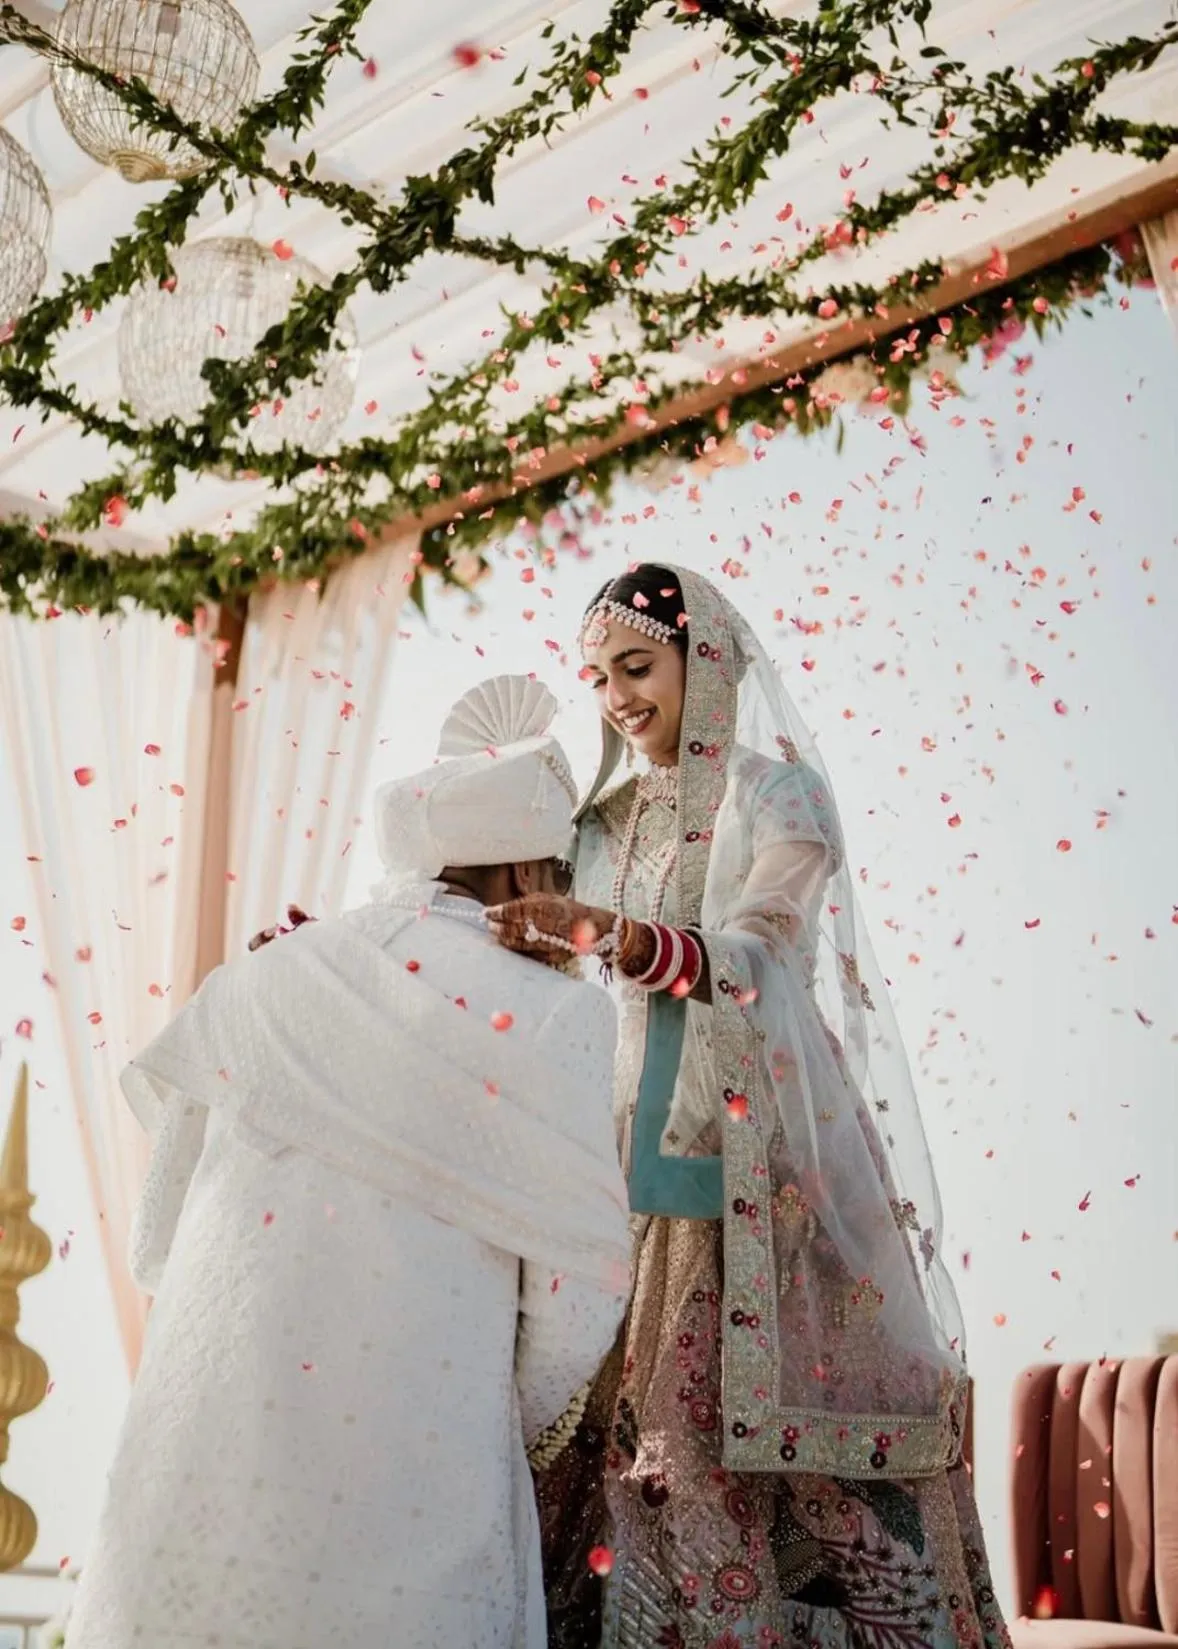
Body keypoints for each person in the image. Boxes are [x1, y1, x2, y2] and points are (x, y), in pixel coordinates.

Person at [488, 566, 1009, 1649]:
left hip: (762, 1168)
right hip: (622, 1171)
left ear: (702, 656)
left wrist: (625, 939)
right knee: (620, 1459)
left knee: (725, 1447)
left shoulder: (773, 795)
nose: (615, 696)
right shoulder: (602, 823)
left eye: (635, 666)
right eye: (597, 677)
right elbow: (497, 919)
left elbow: (767, 945)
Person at [65, 676, 630, 1649]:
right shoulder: (561, 1011)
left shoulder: (264, 975)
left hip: (202, 1455)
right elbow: (580, 1296)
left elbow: (160, 1231)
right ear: (521, 870)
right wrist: (500, 1416)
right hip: (412, 1465)